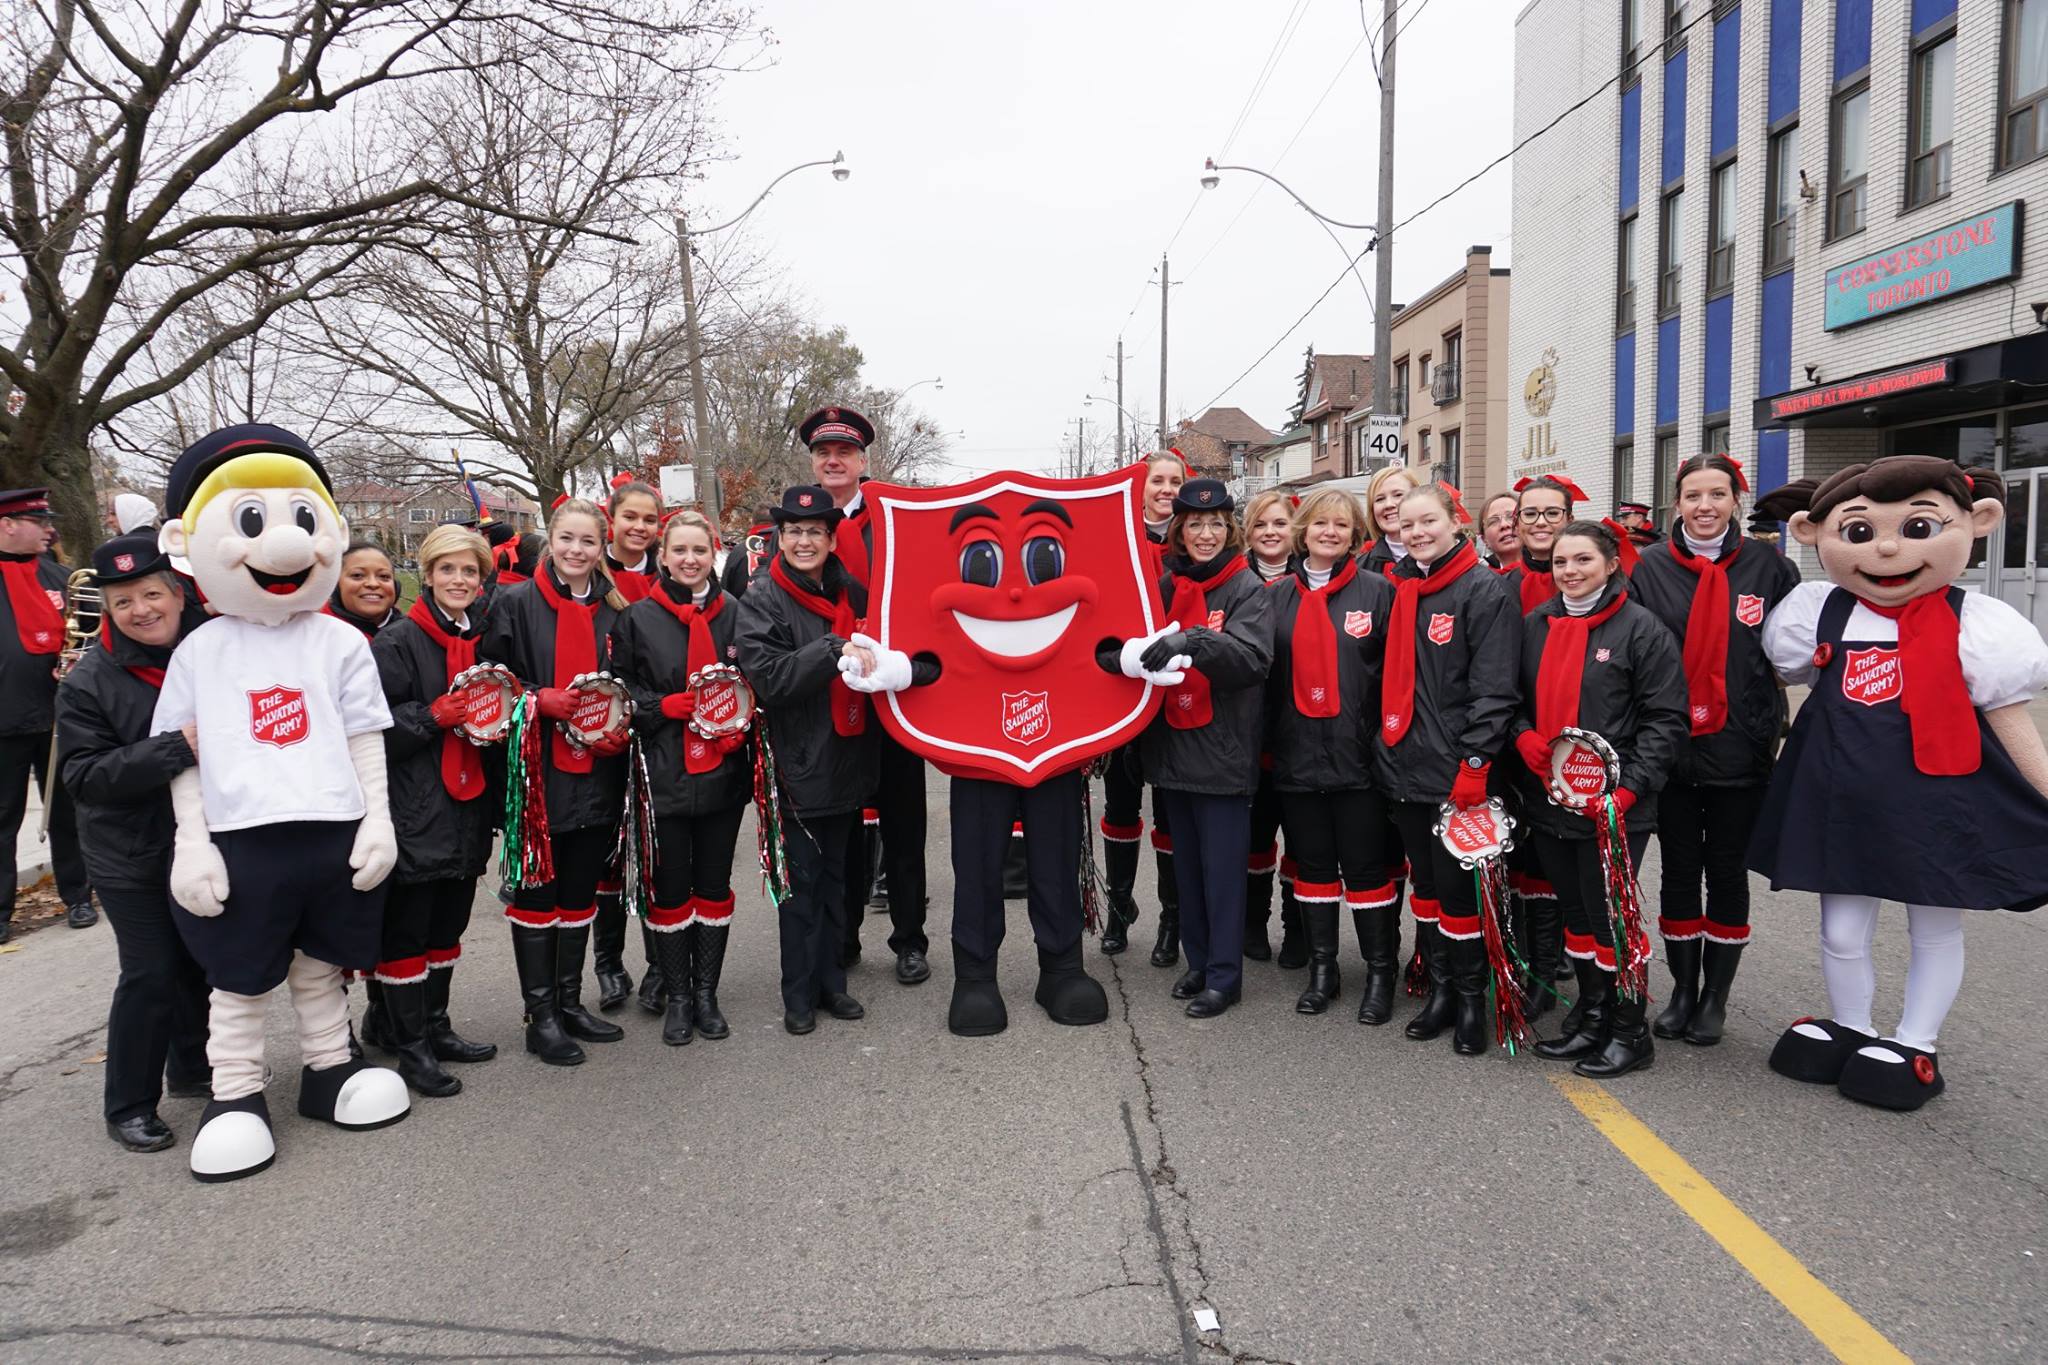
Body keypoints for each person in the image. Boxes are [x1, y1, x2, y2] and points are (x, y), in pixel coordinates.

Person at [151, 423, 409, 1181]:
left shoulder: (339, 643)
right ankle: (234, 1093)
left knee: (321, 964)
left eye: (304, 518)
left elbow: (366, 738)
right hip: (242, 835)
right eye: (256, 521)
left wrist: (379, 819)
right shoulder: (201, 650)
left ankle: (330, 1069)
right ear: (186, 540)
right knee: (241, 974)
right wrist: (191, 842)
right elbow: (183, 756)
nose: (289, 545)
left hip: (329, 826)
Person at [1753, 456, 2048, 1110]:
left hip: (1938, 802)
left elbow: (2010, 722)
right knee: (1839, 929)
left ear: (1978, 523)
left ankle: (1917, 1042)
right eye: (1859, 533)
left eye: (1918, 526)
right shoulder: (1817, 611)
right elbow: (1787, 682)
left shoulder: (1979, 625)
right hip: (1840, 801)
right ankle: (1852, 1023)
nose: (1887, 547)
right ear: (1814, 532)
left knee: (1934, 925)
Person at [1629, 454, 1800, 1046]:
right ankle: (1680, 990)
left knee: (1726, 871)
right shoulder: (1648, 567)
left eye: (1718, 495)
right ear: (1676, 502)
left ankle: (1715, 999)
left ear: (1736, 500)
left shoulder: (1768, 567)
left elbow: (1790, 653)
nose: (1705, 506)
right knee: (1679, 871)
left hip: (1740, 747)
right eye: (1693, 495)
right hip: (1670, 750)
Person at [1508, 520, 1688, 1077]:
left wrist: (1629, 790)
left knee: (1613, 918)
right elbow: (1509, 698)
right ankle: (1593, 1016)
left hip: (1617, 808)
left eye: (1583, 560)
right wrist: (1526, 739)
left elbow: (1666, 719)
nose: (1570, 571)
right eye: (1561, 562)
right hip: (1552, 800)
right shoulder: (1535, 625)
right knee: (1578, 917)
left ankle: (1630, 1031)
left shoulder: (1642, 629)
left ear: (1612, 564)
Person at [56, 533, 212, 1151]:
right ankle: (128, 1103)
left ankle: (194, 1070)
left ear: (176, 594)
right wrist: (176, 749)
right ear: (109, 611)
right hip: (130, 852)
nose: (142, 610)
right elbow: (83, 778)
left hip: (199, 839)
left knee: (199, 962)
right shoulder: (88, 682)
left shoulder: (210, 649)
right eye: (124, 603)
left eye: (151, 594)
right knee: (149, 973)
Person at [479, 498, 632, 1066]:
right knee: (539, 894)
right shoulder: (513, 604)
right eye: (567, 538)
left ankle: (569, 1003)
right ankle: (538, 1015)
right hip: (538, 774)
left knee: (579, 891)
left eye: (588, 542)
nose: (576, 550)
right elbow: (487, 686)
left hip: (597, 774)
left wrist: (623, 724)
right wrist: (534, 698)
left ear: (602, 547)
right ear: (551, 539)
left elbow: (629, 684)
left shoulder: (616, 613)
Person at [1374, 483, 1520, 1055]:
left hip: (1457, 771)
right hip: (1405, 765)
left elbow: (1495, 688)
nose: (1416, 533)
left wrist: (1476, 763)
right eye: (1407, 525)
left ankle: (1469, 1001)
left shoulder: (1482, 589)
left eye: (1427, 521)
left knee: (1461, 894)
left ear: (1455, 522)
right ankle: (1437, 991)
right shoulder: (1406, 587)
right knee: (1428, 889)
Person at [735, 485, 886, 1035]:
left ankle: (832, 985)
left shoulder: (853, 591)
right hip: (797, 766)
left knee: (836, 884)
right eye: (794, 532)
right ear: (780, 538)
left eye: (815, 532)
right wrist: (831, 649)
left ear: (830, 539)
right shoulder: (763, 598)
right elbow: (769, 680)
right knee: (799, 889)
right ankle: (798, 995)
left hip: (847, 758)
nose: (804, 541)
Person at [796, 406, 936, 988]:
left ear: (862, 461)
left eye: (845, 453)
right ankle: (844, 935)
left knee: (904, 824)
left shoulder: (895, 521)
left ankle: (908, 939)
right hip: (828, 698)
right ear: (813, 461)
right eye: (824, 452)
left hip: (893, 694)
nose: (834, 460)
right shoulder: (797, 526)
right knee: (843, 829)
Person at [1123, 480, 1275, 1017]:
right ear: (1180, 533)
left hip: (1223, 753)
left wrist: (1193, 640)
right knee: (1185, 870)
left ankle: (1225, 976)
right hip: (1173, 751)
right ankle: (1198, 962)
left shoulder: (1246, 588)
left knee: (1222, 874)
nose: (1205, 534)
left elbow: (1252, 661)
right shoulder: (1165, 585)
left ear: (1228, 529)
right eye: (1194, 525)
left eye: (1215, 525)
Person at [368, 524, 502, 1097]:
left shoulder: (482, 639)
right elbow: (369, 730)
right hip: (415, 805)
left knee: (449, 925)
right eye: (448, 569)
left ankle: (438, 1025)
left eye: (469, 571)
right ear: (427, 575)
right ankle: (411, 1046)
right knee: (408, 931)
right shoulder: (396, 642)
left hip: (467, 804)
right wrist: (431, 717)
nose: (459, 580)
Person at [608, 510, 751, 1046]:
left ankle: (708, 993)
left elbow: (753, 682)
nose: (689, 560)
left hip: (721, 772)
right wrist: (658, 706)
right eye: (679, 551)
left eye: (699, 550)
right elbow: (618, 694)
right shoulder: (637, 618)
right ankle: (678, 995)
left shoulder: (736, 612)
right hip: (663, 772)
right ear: (663, 556)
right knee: (670, 889)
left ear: (713, 554)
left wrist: (741, 722)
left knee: (713, 886)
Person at [1264, 489, 1396, 1019]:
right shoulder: (1275, 598)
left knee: (1365, 869)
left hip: (1357, 760)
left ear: (1354, 534)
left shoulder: (1378, 592)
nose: (1330, 533)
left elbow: (1392, 677)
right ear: (1304, 530)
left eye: (1342, 525)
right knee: (1313, 866)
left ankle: (1379, 972)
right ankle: (1324, 970)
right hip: (1297, 757)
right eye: (1320, 523)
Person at [1099, 452, 1188, 964]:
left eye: (1175, 481)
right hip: (1124, 692)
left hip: (1176, 693)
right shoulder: (1117, 539)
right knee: (1121, 805)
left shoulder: (1195, 539)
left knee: (1171, 813)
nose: (1166, 489)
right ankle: (1117, 907)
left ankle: (1171, 920)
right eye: (1158, 480)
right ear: (1141, 485)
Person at [0, 487, 94, 940]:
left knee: (66, 814)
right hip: (3, 722)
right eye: (38, 523)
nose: (49, 529)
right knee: (3, 817)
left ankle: (77, 896)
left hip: (58, 717)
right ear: (8, 525)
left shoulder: (61, 577)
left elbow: (87, 640)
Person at [1239, 489, 1298, 964]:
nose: (1271, 533)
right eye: (1261, 525)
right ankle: (1253, 925)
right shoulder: (1237, 581)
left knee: (1300, 838)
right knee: (1256, 838)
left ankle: (1295, 928)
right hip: (1248, 731)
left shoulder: (1309, 578)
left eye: (1279, 523)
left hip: (1300, 730)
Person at [603, 478, 663, 603]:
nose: (640, 527)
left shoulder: (668, 576)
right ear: (612, 521)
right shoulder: (590, 571)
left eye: (650, 520)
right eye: (630, 517)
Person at [325, 540, 400, 638]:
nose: (373, 584)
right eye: (358, 575)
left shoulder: (413, 634)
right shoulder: (316, 635)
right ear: (335, 583)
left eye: (384, 576)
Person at [1359, 465, 1419, 576]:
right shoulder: (1359, 569)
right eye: (1380, 499)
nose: (1389, 504)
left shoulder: (1439, 560)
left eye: (1398, 495)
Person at [1479, 491, 1521, 572]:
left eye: (1511, 516)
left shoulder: (1549, 572)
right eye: (1493, 521)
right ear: (1484, 539)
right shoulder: (1479, 581)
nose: (1504, 525)